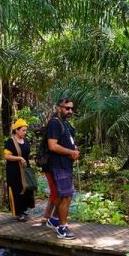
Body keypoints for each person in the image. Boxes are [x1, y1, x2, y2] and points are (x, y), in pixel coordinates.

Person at [44, 98, 78, 240]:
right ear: (59, 108)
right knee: (66, 196)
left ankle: (54, 220)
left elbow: (68, 143)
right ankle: (62, 228)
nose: (69, 111)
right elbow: (52, 145)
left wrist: (74, 149)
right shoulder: (54, 123)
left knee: (64, 195)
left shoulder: (65, 124)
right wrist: (70, 152)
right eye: (66, 108)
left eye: (71, 108)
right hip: (58, 166)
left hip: (66, 165)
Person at [4, 118, 35, 222]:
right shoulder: (10, 141)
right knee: (16, 189)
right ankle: (18, 212)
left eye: (26, 130)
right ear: (16, 130)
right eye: (23, 130)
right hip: (14, 170)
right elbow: (6, 156)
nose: (25, 132)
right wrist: (19, 158)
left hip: (25, 168)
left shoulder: (26, 141)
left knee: (26, 188)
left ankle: (24, 209)